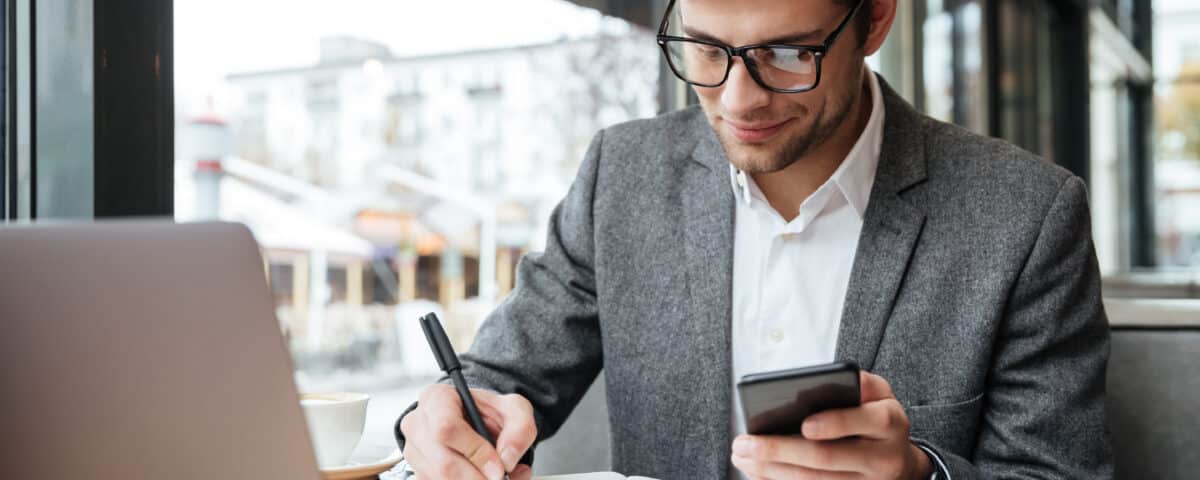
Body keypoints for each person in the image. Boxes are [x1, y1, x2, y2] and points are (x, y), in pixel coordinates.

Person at [394, 0, 1113, 478]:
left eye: (789, 54)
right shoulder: (623, 175)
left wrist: (920, 475)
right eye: (705, 50)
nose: (739, 99)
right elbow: (498, 380)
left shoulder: (1024, 216)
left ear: (876, 21)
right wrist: (447, 420)